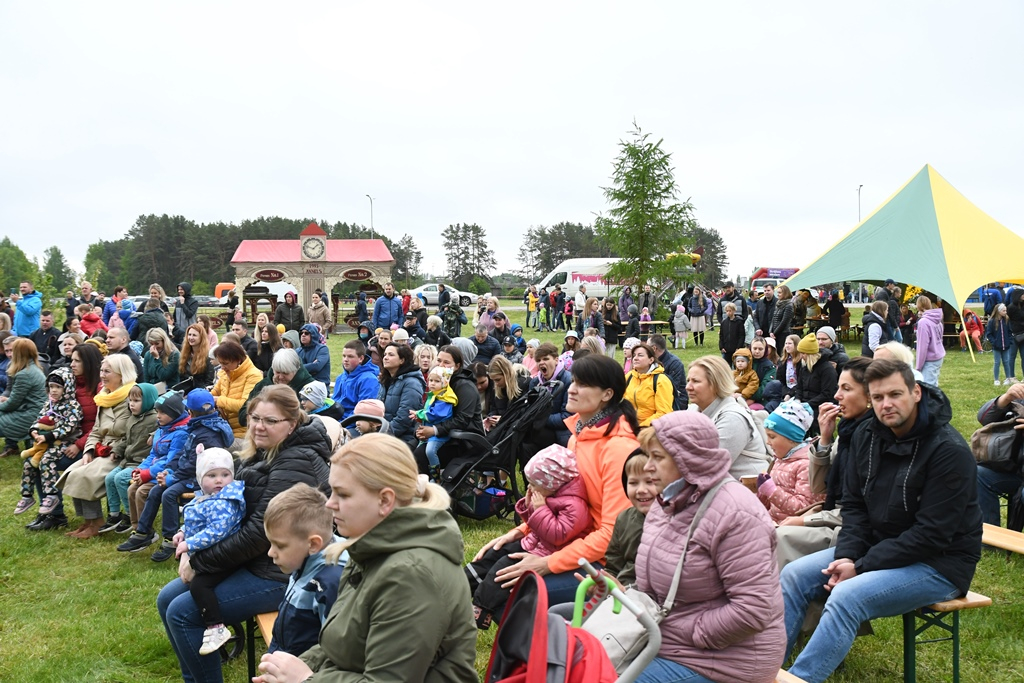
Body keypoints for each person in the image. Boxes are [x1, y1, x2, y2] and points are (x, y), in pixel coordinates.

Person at [781, 359, 982, 683]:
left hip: (939, 563)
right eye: (877, 398)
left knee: (847, 597)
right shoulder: (868, 436)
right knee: (793, 574)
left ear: (916, 392)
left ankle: (799, 679)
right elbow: (856, 507)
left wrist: (861, 567)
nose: (886, 405)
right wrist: (847, 555)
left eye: (895, 394)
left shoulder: (949, 451)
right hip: (877, 546)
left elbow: (932, 535)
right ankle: (763, 669)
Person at [251, 432, 476, 682]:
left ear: (384, 500)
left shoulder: (411, 575)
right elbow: (342, 642)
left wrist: (305, 679)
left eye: (342, 494)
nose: (329, 504)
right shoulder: (371, 549)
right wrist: (295, 667)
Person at [158, 385, 332, 681]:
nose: (258, 426)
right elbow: (226, 504)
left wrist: (200, 562)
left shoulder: (296, 461)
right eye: (254, 418)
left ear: (291, 424)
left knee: (182, 612)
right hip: (255, 559)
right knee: (167, 599)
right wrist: (191, 533)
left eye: (270, 421)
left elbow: (260, 535)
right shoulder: (263, 451)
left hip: (281, 571)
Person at [632, 410, 786, 683]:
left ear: (687, 458)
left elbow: (752, 610)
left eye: (657, 457)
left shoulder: (736, 513)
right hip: (670, 641)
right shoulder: (667, 503)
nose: (647, 467)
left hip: (728, 661)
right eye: (648, 456)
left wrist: (686, 631)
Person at [473, 354, 639, 605]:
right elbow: (554, 503)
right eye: (573, 381)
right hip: (563, 541)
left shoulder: (619, 449)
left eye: (582, 385)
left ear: (607, 394)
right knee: (482, 571)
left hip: (599, 561)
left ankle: (545, 642)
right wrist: (518, 532)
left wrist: (547, 564)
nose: (571, 389)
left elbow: (611, 534)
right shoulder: (577, 437)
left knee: (516, 593)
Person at [466, 444, 590, 629]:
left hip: (545, 552)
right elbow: (533, 524)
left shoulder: (575, 505)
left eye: (534, 484)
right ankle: (462, 582)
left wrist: (540, 510)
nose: (530, 487)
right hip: (532, 543)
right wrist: (530, 505)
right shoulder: (550, 494)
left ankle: (481, 609)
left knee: (502, 568)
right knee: (494, 554)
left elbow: (558, 536)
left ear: (552, 483)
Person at [775, 357, 873, 568]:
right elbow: (820, 487)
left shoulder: (870, 439)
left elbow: (859, 509)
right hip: (832, 514)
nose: (837, 396)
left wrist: (805, 520)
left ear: (869, 396)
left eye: (846, 389)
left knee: (781, 537)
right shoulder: (847, 432)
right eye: (838, 387)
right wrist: (826, 439)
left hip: (849, 528)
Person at [119, 389, 235, 562]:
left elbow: (195, 464)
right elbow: (182, 454)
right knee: (157, 490)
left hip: (201, 479)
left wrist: (172, 478)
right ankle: (143, 531)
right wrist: (168, 470)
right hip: (187, 474)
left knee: (169, 494)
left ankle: (170, 540)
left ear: (192, 412)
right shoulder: (198, 427)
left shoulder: (208, 433)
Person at [166, 447, 248, 655]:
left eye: (225, 475)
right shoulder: (205, 498)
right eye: (212, 476)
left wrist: (190, 544)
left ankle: (216, 626)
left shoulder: (224, 502)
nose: (219, 480)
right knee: (192, 584)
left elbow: (217, 531)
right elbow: (197, 521)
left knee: (200, 585)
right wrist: (182, 532)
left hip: (226, 556)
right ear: (200, 479)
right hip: (211, 554)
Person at [23, 343, 102, 531]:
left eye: (77, 361)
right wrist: (38, 430)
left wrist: (79, 445)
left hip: (90, 444)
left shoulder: (97, 389)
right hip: (66, 440)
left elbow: (101, 425)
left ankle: (56, 514)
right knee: (34, 461)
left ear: (89, 363)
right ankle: (51, 513)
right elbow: (50, 412)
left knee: (46, 463)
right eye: (71, 360)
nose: (72, 364)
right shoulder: (69, 385)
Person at [262, 483, 345, 656]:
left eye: (280, 545)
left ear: (313, 544)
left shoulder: (330, 583)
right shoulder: (304, 560)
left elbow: (334, 651)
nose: (271, 552)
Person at [60, 353, 136, 539]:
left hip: (120, 453)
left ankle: (97, 522)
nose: (102, 375)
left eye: (107, 371)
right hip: (102, 448)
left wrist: (113, 450)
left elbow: (132, 433)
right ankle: (88, 521)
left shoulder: (132, 397)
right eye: (101, 370)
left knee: (84, 475)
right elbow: (95, 429)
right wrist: (89, 450)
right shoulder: (105, 397)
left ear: (121, 374)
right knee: (72, 472)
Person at [685, 355, 770, 479]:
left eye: (695, 381)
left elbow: (707, 468)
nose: (688, 387)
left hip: (748, 492)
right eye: (688, 380)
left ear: (716, 384)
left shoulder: (733, 418)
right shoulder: (694, 410)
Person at [14, 366, 81, 514]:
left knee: (46, 460)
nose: (54, 390)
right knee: (29, 463)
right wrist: (34, 432)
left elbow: (69, 426)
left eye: (58, 387)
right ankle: (27, 495)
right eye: (51, 386)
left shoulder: (73, 406)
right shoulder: (49, 404)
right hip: (45, 443)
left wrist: (48, 436)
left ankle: (51, 495)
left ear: (67, 387)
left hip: (64, 443)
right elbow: (38, 420)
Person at [99, 382, 159, 534]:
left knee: (120, 479)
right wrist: (117, 450)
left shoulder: (154, 419)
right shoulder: (132, 418)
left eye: (137, 401)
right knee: (109, 478)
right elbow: (126, 438)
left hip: (141, 462)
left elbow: (162, 432)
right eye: (130, 400)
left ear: (148, 400)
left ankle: (129, 514)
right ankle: (114, 514)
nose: (132, 404)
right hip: (127, 461)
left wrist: (153, 436)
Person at [756, 400, 823, 523]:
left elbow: (804, 508)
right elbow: (772, 504)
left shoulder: (805, 465)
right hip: (773, 522)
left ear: (791, 438)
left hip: (791, 530)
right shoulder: (780, 459)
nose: (767, 442)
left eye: (772, 436)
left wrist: (771, 491)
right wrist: (760, 493)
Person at [603, 451, 662, 586]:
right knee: (558, 609)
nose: (641, 490)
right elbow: (613, 566)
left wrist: (626, 591)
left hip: (647, 599)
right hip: (621, 595)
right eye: (633, 483)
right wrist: (604, 583)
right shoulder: (624, 519)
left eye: (650, 481)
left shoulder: (675, 521)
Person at [974, 381, 1024, 526]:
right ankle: (992, 539)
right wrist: (1005, 398)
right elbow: (984, 418)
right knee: (979, 475)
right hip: (1016, 470)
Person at [239, 349, 316, 427]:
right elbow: (242, 415)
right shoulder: (263, 385)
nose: (281, 377)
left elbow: (313, 420)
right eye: (277, 372)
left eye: (285, 373)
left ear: (295, 371)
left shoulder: (310, 388)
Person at [411, 366, 457, 480]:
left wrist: (419, 414)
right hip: (428, 432)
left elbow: (434, 414)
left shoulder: (445, 399)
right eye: (431, 380)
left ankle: (436, 476)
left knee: (430, 451)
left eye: (437, 381)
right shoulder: (433, 395)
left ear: (445, 383)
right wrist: (419, 418)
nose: (432, 383)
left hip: (439, 434)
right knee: (416, 451)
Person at [210, 340, 263, 437]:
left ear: (238, 360)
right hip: (226, 428)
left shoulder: (253, 375)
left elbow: (245, 406)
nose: (222, 367)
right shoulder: (225, 373)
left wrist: (218, 400)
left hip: (244, 433)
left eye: (225, 363)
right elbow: (215, 392)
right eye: (220, 363)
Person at [379, 343, 426, 450]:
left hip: (404, 437)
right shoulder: (386, 381)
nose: (385, 357)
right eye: (385, 354)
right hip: (384, 432)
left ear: (402, 360)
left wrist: (382, 435)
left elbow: (404, 418)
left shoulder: (412, 383)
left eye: (391, 355)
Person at [526, 342, 573, 449]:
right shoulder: (535, 383)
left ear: (556, 360)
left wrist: (540, 418)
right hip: (539, 429)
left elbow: (567, 417)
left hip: (561, 432)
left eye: (546, 359)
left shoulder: (568, 381)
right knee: (525, 444)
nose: (541, 363)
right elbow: (530, 409)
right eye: (538, 360)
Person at [624, 342, 673, 427]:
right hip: (628, 427)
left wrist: (640, 428)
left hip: (651, 430)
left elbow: (663, 413)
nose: (635, 358)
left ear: (651, 360)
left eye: (640, 355)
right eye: (634, 355)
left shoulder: (661, 380)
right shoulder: (629, 376)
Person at [795, 333, 839, 426]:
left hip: (821, 406)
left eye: (803, 353)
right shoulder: (804, 366)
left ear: (810, 354)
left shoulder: (827, 369)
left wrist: (807, 404)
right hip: (805, 403)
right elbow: (799, 387)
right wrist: (797, 400)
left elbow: (827, 394)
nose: (801, 356)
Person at [485, 355, 529, 429]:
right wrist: (490, 418)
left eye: (498, 380)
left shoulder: (523, 384)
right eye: (493, 380)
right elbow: (493, 408)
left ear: (506, 374)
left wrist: (503, 419)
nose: (496, 384)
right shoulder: (497, 388)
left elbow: (522, 414)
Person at [915, 296, 946, 385]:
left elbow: (922, 347)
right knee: (933, 384)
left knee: (928, 388)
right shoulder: (937, 320)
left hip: (929, 359)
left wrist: (918, 367)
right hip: (938, 356)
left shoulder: (923, 322)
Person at [178, 323, 216, 393]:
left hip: (200, 392)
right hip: (185, 391)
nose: (191, 338)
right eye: (189, 335)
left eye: (194, 335)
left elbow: (209, 381)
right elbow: (181, 377)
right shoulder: (184, 355)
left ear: (201, 337)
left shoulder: (208, 356)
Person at [987, 303, 1013, 385]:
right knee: (997, 362)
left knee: (1006, 361)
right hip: (996, 346)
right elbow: (989, 334)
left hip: (1006, 345)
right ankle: (996, 379)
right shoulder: (992, 322)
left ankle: (1008, 378)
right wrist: (994, 342)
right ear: (998, 311)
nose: (1005, 312)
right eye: (1004, 310)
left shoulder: (1007, 320)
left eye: (1006, 310)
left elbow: (1010, 332)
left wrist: (1009, 341)